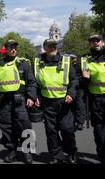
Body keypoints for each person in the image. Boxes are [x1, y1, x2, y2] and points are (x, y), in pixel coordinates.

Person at [0, 39, 37, 164]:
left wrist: (31, 97)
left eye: (15, 47)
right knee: (6, 127)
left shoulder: (23, 64)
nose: (13, 49)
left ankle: (27, 152)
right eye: (11, 47)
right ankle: (12, 151)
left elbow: (31, 82)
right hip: (4, 101)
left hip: (20, 100)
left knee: (25, 126)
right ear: (5, 48)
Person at [35, 38, 79, 164]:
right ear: (45, 48)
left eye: (54, 45)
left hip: (64, 102)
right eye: (50, 46)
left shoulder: (65, 61)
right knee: (51, 132)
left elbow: (74, 79)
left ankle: (71, 152)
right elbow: (35, 83)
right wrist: (36, 97)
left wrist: (71, 94)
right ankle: (57, 155)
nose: (53, 48)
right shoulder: (38, 62)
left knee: (67, 130)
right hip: (47, 102)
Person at [80, 34, 105, 164]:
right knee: (100, 133)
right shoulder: (85, 60)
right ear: (90, 44)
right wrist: (85, 79)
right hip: (96, 101)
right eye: (92, 41)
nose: (95, 43)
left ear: (103, 43)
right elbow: (82, 86)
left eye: (98, 40)